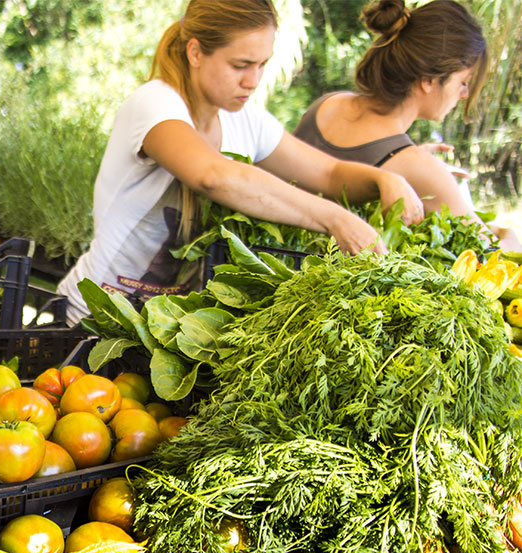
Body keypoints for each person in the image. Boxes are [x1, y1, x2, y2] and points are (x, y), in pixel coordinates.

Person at [56, 0, 423, 323]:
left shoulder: (244, 119)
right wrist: (335, 218)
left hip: (160, 331)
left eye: (262, 65)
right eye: (240, 65)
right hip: (89, 322)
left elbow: (327, 172)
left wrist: (383, 181)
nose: (253, 81)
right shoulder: (155, 105)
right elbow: (213, 176)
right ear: (196, 52)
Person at [292, 0, 521, 250]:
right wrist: (508, 235)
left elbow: (345, 161)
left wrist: (410, 158)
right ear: (429, 81)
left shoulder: (327, 105)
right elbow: (489, 255)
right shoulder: (418, 167)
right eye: (463, 82)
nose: (464, 94)